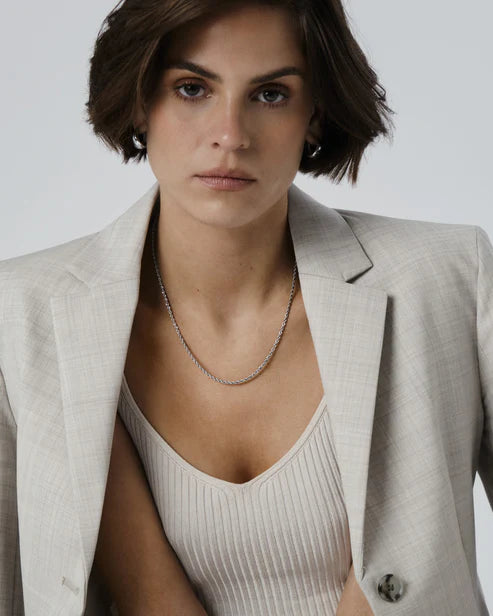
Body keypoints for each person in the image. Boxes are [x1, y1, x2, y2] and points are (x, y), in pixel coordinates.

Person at [1, 0, 491, 615]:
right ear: (140, 101)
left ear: (314, 116)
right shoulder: (24, 319)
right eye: (192, 88)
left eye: (270, 94)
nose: (230, 135)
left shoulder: (449, 281)